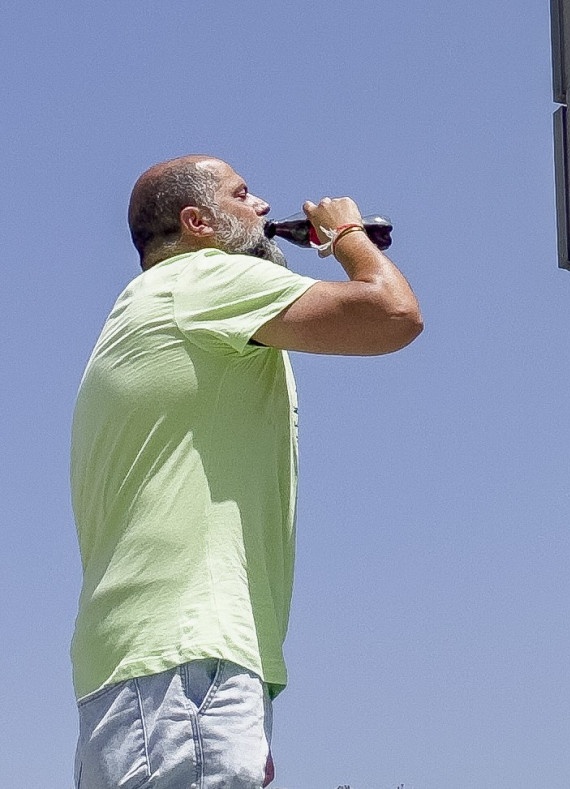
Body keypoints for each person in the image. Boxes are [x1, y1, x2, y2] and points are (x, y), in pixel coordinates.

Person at [69, 155, 422, 788]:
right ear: (197, 222)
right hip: (187, 663)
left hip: (141, 677)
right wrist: (347, 235)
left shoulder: (154, 305)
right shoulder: (202, 280)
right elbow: (392, 315)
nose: (263, 206)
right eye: (243, 194)